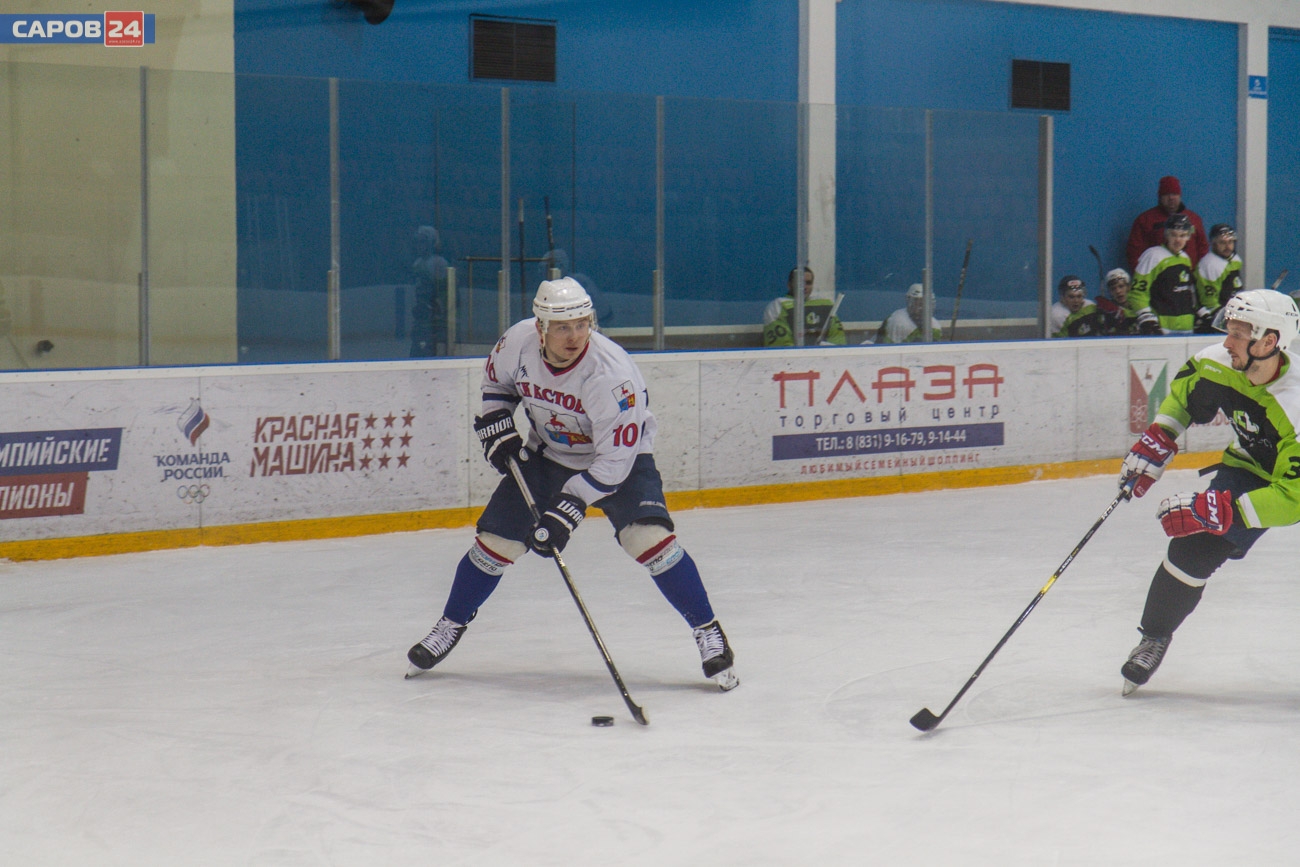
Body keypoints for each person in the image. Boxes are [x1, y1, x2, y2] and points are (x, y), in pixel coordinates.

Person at [407, 277, 739, 691]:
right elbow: (497, 384)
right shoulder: (517, 342)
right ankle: (450, 624)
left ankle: (707, 629)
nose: (575, 336)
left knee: (648, 539)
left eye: (583, 325)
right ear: (541, 328)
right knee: (496, 543)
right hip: (548, 455)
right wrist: (498, 421)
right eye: (563, 327)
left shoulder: (611, 375)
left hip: (619, 461)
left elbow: (614, 463)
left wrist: (570, 507)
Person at [1116, 289, 1300, 695]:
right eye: (1228, 330)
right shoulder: (1216, 362)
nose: (1227, 341)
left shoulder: (1296, 404)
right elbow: (1185, 398)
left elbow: (1295, 497)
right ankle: (1154, 636)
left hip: (1294, 485)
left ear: (1268, 342)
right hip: (1250, 467)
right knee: (1192, 549)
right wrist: (1161, 436)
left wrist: (1222, 509)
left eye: (1238, 334)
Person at [1130, 212, 1197, 334]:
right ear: (1166, 235)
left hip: (1187, 328)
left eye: (1182, 235)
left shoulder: (1185, 258)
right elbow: (1137, 292)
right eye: (1173, 235)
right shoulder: (1153, 256)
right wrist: (1146, 317)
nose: (1178, 240)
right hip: (1162, 328)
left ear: (1188, 237)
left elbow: (1189, 293)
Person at [1125, 175, 1209, 271]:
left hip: (1189, 276)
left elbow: (1203, 248)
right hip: (1158, 277)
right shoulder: (1145, 220)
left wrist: (1199, 274)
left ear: (1180, 196)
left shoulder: (1194, 219)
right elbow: (1134, 252)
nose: (1171, 198)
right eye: (1166, 194)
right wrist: (1143, 274)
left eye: (1175, 194)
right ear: (1160, 197)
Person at [762, 267, 845, 347]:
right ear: (789, 285)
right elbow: (782, 347)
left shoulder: (826, 304)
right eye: (800, 283)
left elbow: (837, 340)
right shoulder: (778, 306)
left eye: (808, 283)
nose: (804, 287)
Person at [1194, 223, 1245, 333]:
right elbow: (1209, 303)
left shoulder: (1235, 260)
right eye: (1222, 242)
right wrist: (1225, 320)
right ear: (1213, 243)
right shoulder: (1209, 265)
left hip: (1232, 316)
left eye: (1230, 242)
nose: (1227, 246)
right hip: (1214, 320)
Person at [409, 225, 449, 357]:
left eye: (423, 242)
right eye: (417, 242)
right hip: (421, 318)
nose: (419, 246)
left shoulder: (439, 263)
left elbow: (442, 292)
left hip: (434, 320)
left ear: (431, 243)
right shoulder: (417, 262)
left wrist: (436, 308)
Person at [875, 283, 943, 344]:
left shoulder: (935, 326)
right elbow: (892, 350)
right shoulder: (899, 321)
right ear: (909, 302)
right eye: (919, 304)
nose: (921, 309)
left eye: (926, 305)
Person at [1095, 268, 1138, 335]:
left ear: (1128, 287)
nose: (1118, 291)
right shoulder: (1107, 313)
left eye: (1121, 286)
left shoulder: (1140, 306)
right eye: (1113, 289)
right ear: (1109, 292)